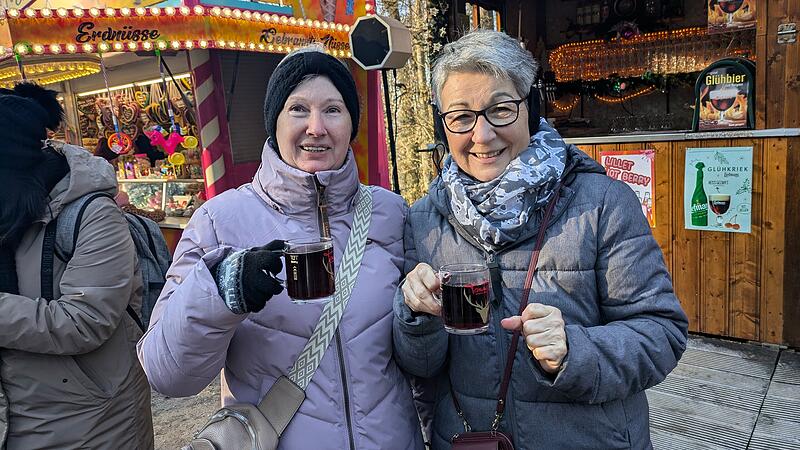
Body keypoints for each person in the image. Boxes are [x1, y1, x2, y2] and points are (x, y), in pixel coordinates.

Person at [393, 30, 688, 449]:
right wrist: (415, 314)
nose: (482, 135)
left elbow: (662, 332)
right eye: (461, 117)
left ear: (530, 109)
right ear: (443, 124)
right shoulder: (423, 219)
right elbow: (420, 366)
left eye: (500, 109)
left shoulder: (603, 204)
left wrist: (576, 349)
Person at [138, 45, 423, 449]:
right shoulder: (220, 221)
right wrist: (223, 289)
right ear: (275, 121)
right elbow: (168, 374)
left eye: (333, 109)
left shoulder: (390, 213)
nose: (316, 127)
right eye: (298, 109)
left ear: (351, 123)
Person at [0, 83, 153, 448]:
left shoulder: (92, 214)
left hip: (92, 419)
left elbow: (85, 320)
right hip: (17, 418)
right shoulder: (8, 214)